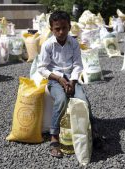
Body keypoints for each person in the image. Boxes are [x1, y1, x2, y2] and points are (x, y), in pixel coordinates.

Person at [37, 11, 94, 158]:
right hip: (54, 79)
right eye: (57, 29)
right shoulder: (48, 45)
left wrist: (73, 81)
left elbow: (77, 65)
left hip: (72, 78)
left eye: (64, 28)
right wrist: (59, 79)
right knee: (61, 99)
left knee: (84, 101)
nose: (61, 32)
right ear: (51, 29)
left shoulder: (73, 43)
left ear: (69, 27)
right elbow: (42, 68)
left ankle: (92, 131)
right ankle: (54, 137)